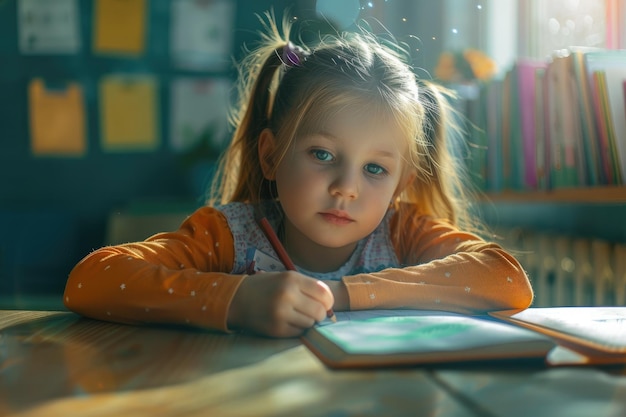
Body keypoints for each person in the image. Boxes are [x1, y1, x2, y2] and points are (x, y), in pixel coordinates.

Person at [63, 14, 533, 338]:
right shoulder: (226, 235)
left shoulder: (402, 233)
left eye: (375, 169)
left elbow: (506, 280)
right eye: (322, 154)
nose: (346, 187)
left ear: (400, 185)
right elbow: (91, 281)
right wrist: (238, 299)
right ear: (271, 156)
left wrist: (342, 296)